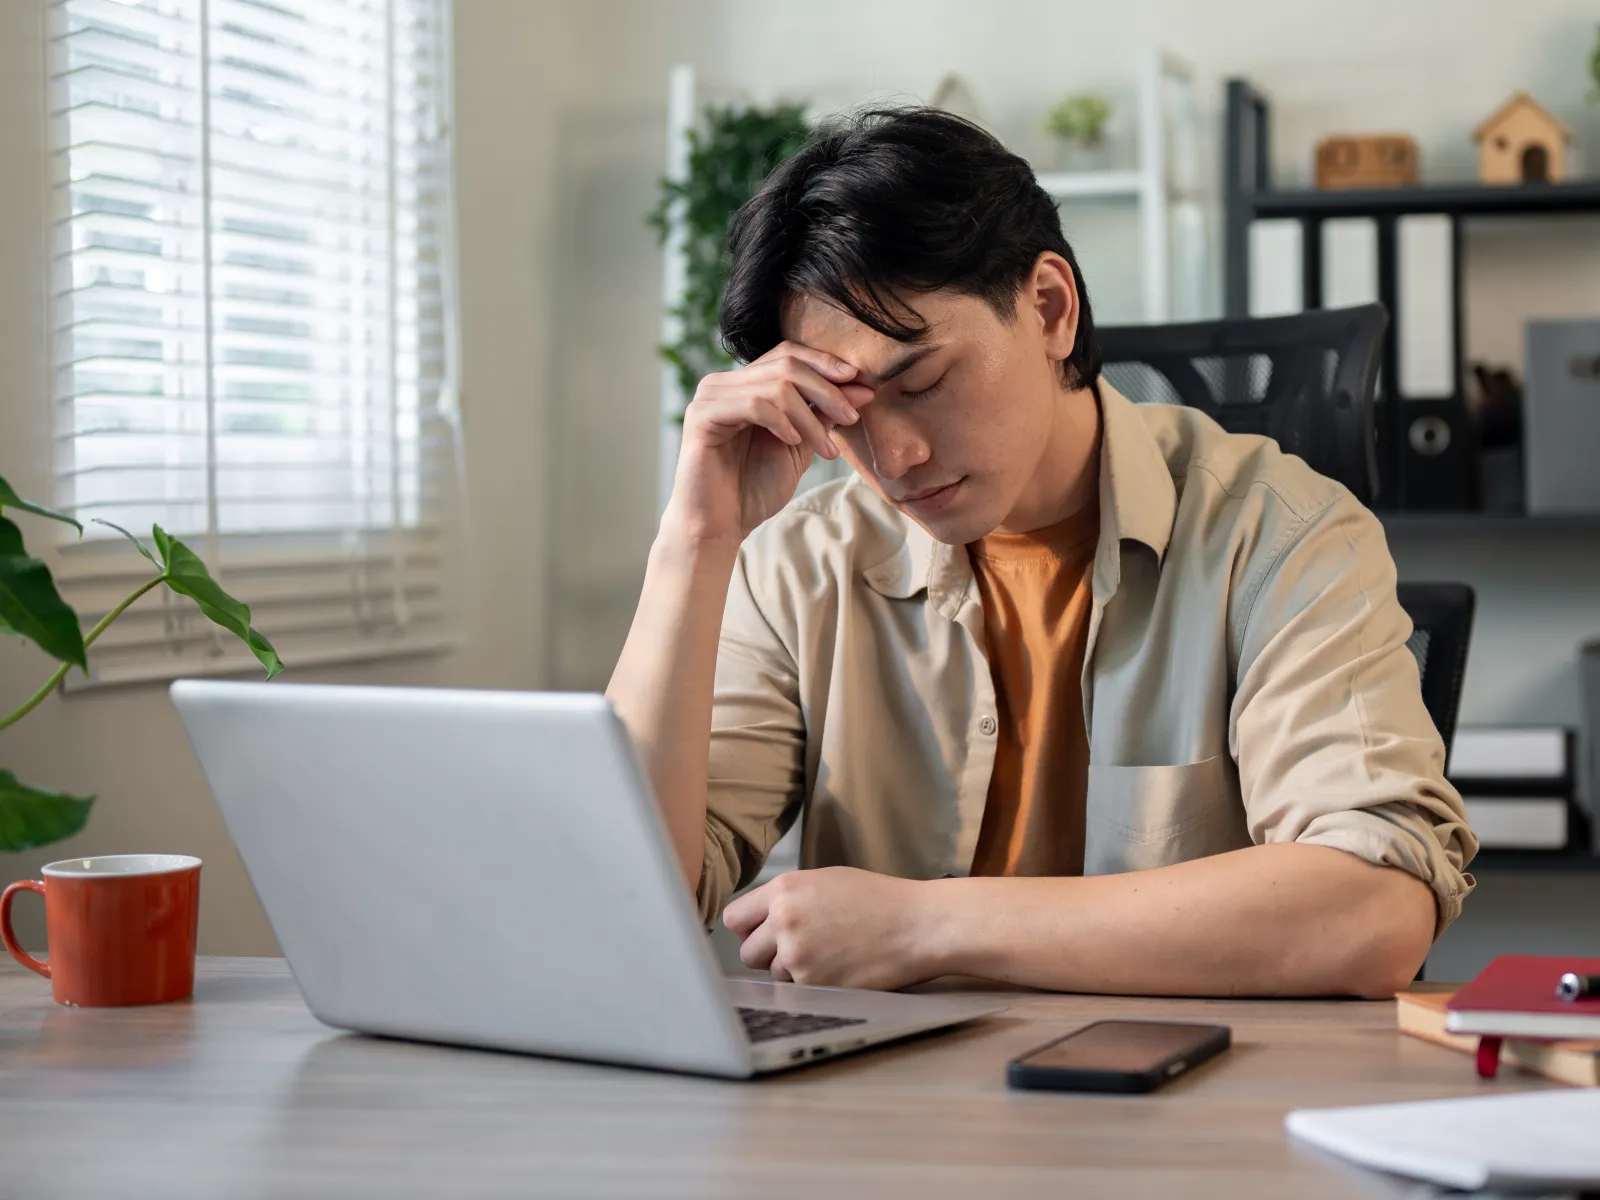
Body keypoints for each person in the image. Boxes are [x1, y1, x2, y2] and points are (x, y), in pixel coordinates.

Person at [607, 108, 1476, 998]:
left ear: (1050, 307)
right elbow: (626, 905)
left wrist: (927, 925)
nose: (892, 458)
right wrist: (695, 539)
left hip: (1187, 1100)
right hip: (889, 1112)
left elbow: (1374, 908)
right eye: (845, 415)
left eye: (923, 382)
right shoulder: (798, 567)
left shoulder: (1280, 533)